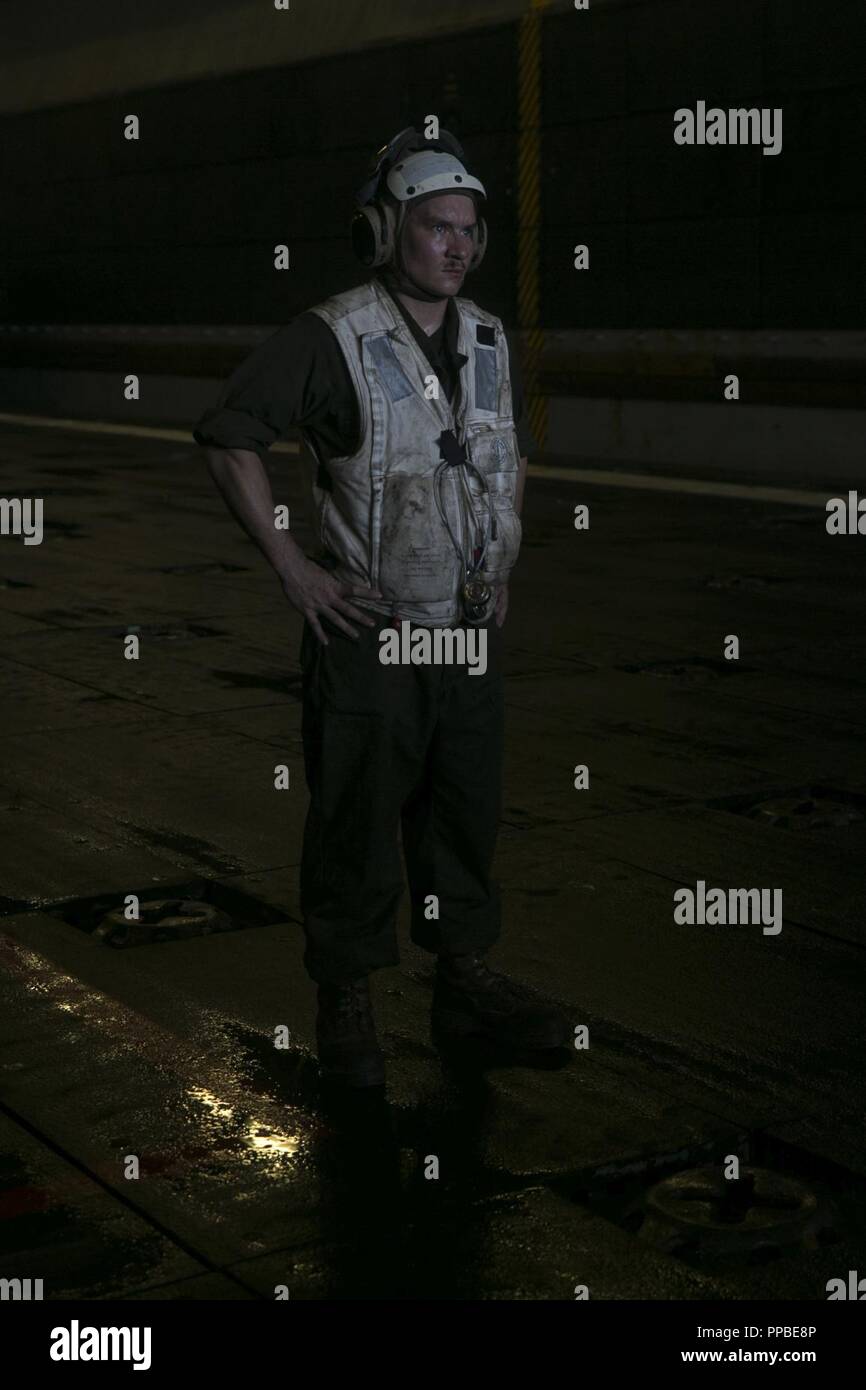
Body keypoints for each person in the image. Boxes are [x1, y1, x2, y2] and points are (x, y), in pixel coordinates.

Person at [194, 127, 570, 1087]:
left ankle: (463, 982)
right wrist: (294, 568)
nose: (455, 246)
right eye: (436, 226)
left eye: (468, 230)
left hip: (466, 633)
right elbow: (231, 434)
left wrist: (506, 557)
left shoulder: (488, 338)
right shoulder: (333, 337)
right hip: (373, 634)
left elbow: (507, 453)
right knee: (356, 823)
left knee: (461, 816)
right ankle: (348, 1000)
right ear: (387, 231)